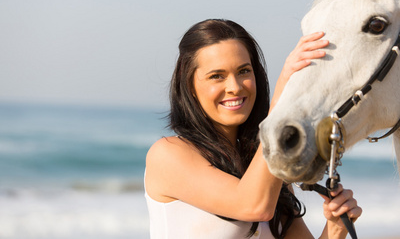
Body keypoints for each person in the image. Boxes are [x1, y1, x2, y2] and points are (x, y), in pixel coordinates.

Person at [145, 19, 362, 239]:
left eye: (243, 71)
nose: (235, 87)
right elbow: (254, 206)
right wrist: (281, 102)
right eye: (217, 76)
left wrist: (336, 228)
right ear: (190, 86)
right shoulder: (167, 154)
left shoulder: (267, 166)